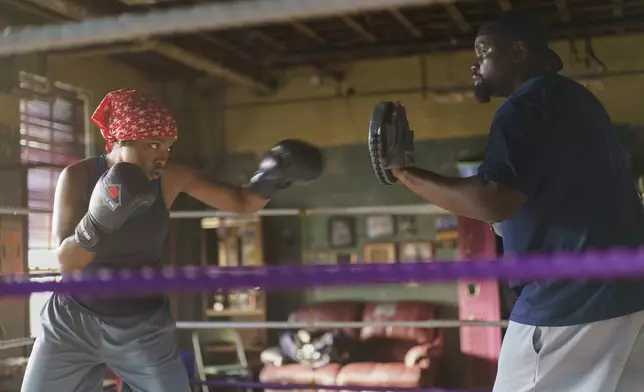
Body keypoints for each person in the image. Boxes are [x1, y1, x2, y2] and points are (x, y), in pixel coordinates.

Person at [378, 10, 644, 392]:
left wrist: (405, 172)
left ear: (518, 51)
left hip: (569, 301)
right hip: (629, 297)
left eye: (484, 51)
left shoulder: (526, 105)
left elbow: (493, 199)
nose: (476, 64)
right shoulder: (577, 101)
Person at [21, 88, 323, 392]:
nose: (162, 157)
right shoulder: (78, 176)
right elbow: (67, 264)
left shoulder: (169, 178)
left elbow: (242, 201)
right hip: (72, 322)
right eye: (153, 145)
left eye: (167, 147)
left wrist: (272, 177)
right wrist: (99, 219)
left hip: (141, 326)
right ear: (122, 139)